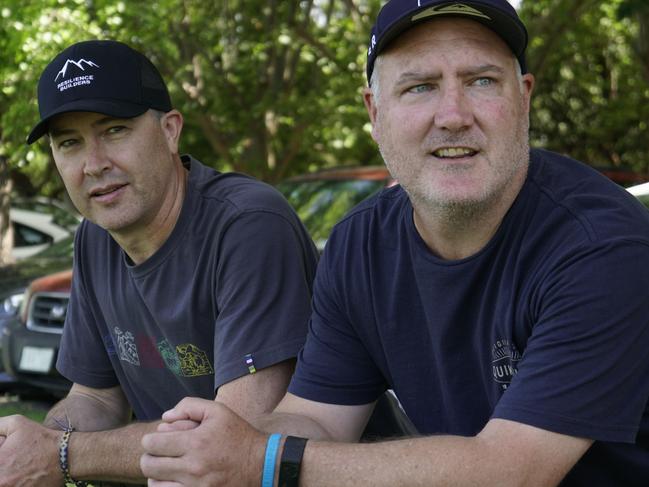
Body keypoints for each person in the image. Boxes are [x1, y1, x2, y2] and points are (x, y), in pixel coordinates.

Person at [139, 0, 649, 486]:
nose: (453, 114)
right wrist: (213, 447)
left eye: (482, 81)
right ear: (374, 112)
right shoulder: (359, 245)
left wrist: (261, 462)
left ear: (524, 99)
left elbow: (509, 471)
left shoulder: (602, 247)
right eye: (420, 87)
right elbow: (317, 420)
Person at [0, 39, 319, 486]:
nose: (93, 164)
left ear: (170, 130)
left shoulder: (249, 226)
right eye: (69, 143)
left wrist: (59, 455)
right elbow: (95, 398)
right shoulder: (95, 238)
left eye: (114, 130)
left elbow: (233, 440)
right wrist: (28, 448)